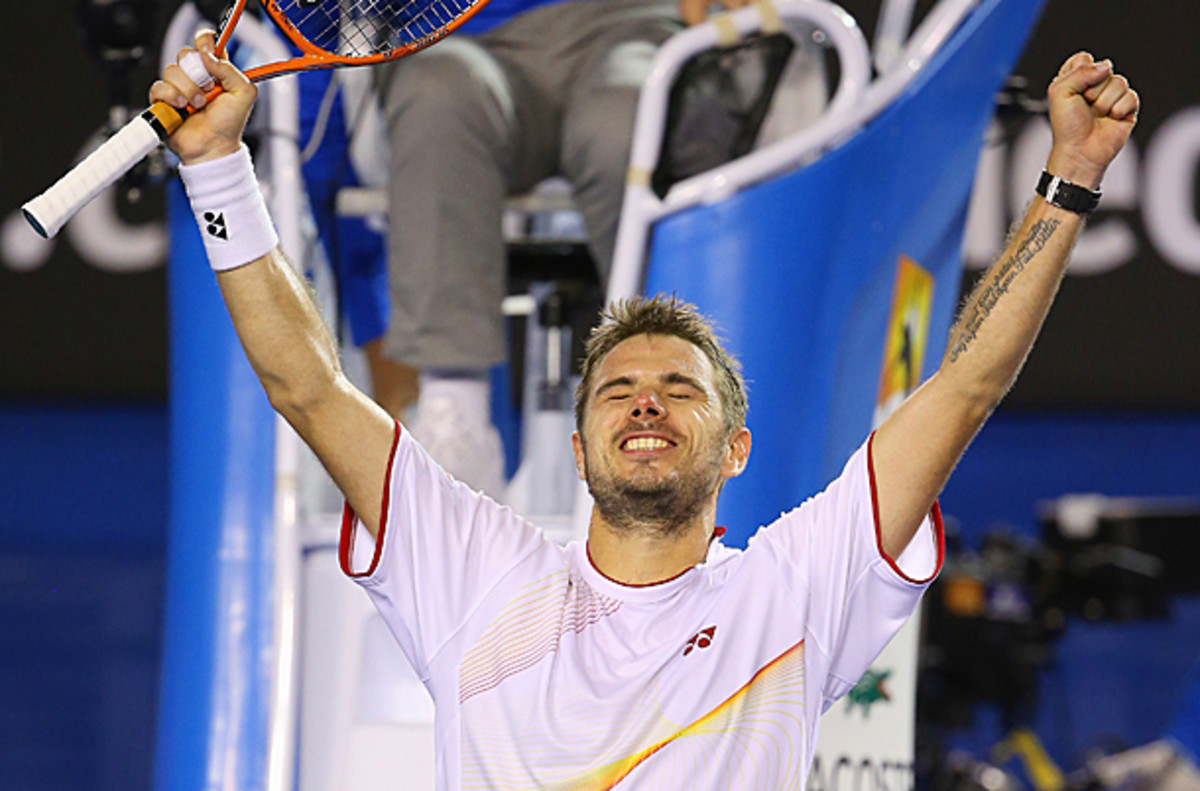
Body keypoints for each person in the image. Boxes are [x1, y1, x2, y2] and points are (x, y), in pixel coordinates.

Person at [153, 32, 1137, 789]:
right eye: (618, 390)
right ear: (579, 450)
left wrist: (1071, 178)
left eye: (680, 390)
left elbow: (963, 384)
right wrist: (216, 171)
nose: (647, 403)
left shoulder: (793, 592)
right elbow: (306, 386)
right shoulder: (472, 570)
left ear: (737, 448)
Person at [369, 0, 776, 498]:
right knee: (436, 94)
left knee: (624, 120)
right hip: (461, 35)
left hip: (629, 24)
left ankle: (676, 407)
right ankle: (455, 417)